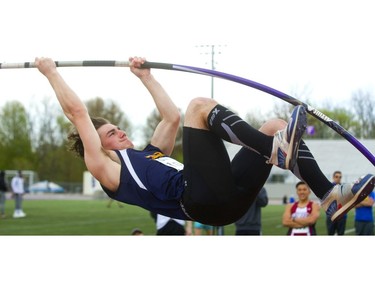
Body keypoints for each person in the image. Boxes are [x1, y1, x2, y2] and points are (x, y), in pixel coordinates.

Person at [34, 56, 375, 226]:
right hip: (199, 202)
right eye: (111, 133)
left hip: (228, 200)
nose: (120, 131)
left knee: (274, 124)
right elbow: (78, 114)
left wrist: (146, 77)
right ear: (98, 144)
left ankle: (329, 196)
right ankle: (275, 150)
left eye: (117, 127)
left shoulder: (150, 155)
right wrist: (51, 72)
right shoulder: (108, 170)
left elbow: (169, 117)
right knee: (198, 106)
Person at [326, 171, 347, 235]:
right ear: (333, 177)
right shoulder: (328, 187)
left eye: (340, 177)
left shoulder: (344, 187)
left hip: (342, 215)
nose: (338, 178)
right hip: (331, 215)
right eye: (336, 177)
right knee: (330, 233)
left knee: (341, 234)